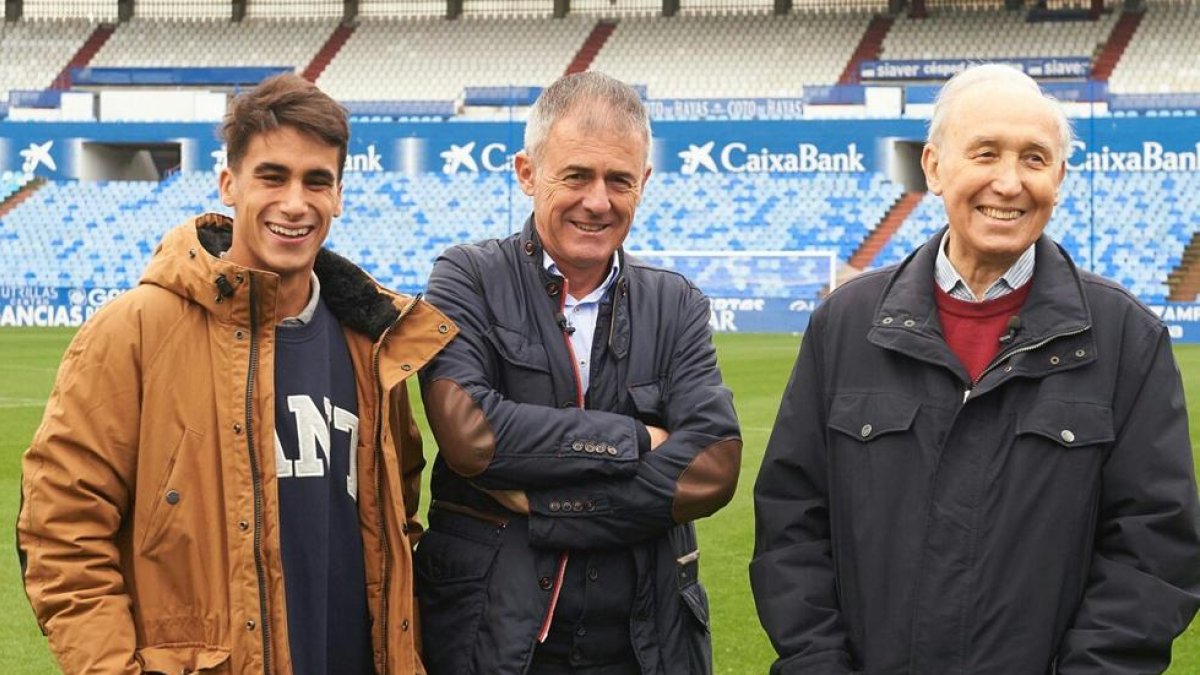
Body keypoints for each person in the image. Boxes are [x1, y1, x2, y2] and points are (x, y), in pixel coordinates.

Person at [751, 64, 1200, 674]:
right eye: (985, 153)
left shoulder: (1128, 338)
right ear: (934, 167)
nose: (1009, 182)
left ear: (1060, 178)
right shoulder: (845, 324)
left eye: (1035, 159)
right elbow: (791, 525)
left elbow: (1152, 551)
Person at [17, 74, 457, 674]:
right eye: (272, 177)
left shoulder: (370, 344)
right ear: (229, 184)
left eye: (316, 181)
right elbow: (61, 531)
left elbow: (395, 521)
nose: (295, 203)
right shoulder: (133, 330)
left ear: (339, 195)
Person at [416, 71, 741, 675]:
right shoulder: (466, 277)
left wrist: (545, 507)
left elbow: (712, 466)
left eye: (619, 179)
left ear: (643, 182)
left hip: (645, 644)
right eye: (576, 176)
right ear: (526, 173)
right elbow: (471, 436)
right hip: (490, 636)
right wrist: (640, 440)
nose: (598, 201)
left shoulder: (677, 303)